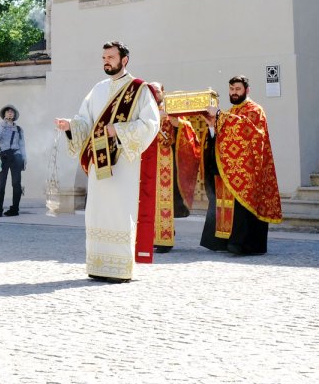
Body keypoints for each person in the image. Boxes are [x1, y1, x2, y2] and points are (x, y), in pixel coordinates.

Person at [55, 41, 159, 283]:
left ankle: (120, 268)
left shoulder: (140, 90)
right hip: (99, 164)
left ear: (124, 60)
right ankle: (99, 264)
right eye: (104, 57)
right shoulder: (98, 89)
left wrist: (119, 130)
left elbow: (150, 125)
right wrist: (71, 126)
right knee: (97, 212)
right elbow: (85, 121)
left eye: (111, 56)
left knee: (120, 211)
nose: (106, 60)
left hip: (123, 163)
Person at [200, 76, 282, 255]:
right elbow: (222, 136)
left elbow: (249, 129)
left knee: (244, 210)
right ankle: (226, 242)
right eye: (231, 89)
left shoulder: (255, 110)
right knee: (227, 206)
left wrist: (220, 116)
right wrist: (212, 126)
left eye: (237, 89)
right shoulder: (232, 111)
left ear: (247, 90)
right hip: (231, 169)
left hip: (250, 170)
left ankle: (246, 245)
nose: (234, 93)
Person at [138, 83, 201, 254]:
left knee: (164, 203)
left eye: (157, 90)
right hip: (145, 162)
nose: (154, 93)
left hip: (166, 163)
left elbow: (190, 133)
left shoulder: (171, 108)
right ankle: (147, 238)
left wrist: (177, 123)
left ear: (163, 93)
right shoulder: (142, 110)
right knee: (146, 202)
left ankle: (165, 239)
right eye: (151, 91)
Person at [0, 104, 26, 217]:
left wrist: (24, 159)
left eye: (12, 112)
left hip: (16, 156)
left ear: (15, 115)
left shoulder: (19, 129)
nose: (10, 113)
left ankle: (15, 209)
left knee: (16, 184)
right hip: (3, 157)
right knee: (0, 184)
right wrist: (4, 125)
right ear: (4, 114)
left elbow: (22, 145)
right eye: (7, 111)